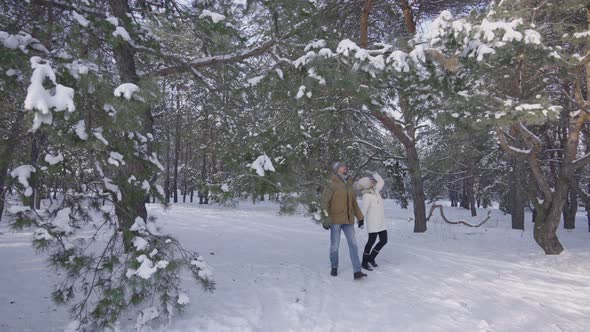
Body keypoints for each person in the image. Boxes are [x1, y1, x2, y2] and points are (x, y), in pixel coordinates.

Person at [321, 162, 367, 280]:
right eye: (342, 166)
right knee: (335, 245)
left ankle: (357, 271)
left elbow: (354, 203)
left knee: (353, 244)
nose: (345, 167)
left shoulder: (349, 184)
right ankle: (334, 266)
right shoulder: (332, 183)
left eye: (346, 166)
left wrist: (360, 218)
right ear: (337, 170)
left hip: (348, 220)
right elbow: (324, 202)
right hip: (335, 219)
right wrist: (325, 218)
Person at [356, 171, 387, 271]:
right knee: (371, 242)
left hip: (381, 221)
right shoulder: (367, 196)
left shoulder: (376, 190)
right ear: (367, 185)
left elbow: (381, 181)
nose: (373, 181)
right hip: (373, 222)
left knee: (384, 240)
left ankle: (371, 258)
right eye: (371, 181)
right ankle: (364, 262)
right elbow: (364, 209)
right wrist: (360, 220)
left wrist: (374, 173)